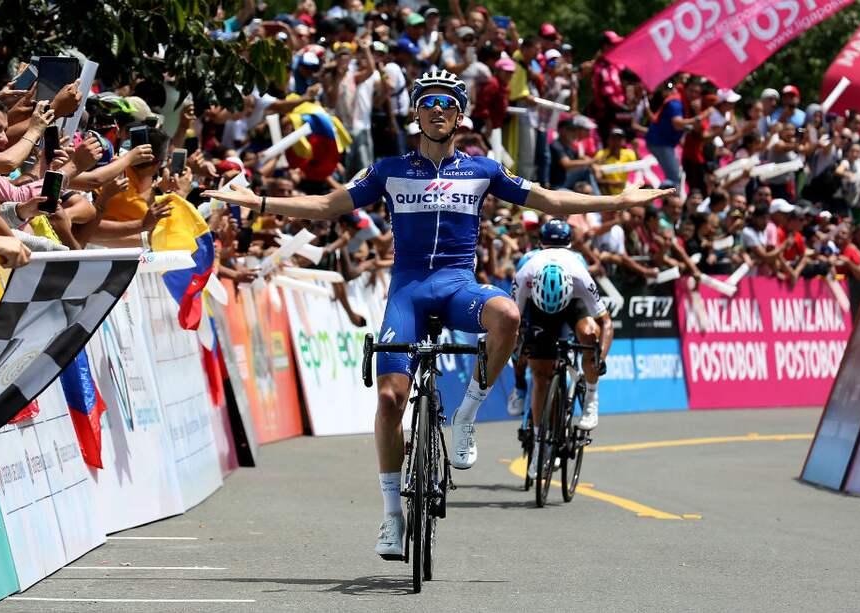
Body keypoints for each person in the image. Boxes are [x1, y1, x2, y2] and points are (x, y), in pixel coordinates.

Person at [201, 68, 672, 559]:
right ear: (416, 113)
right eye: (429, 102)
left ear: (460, 115)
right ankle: (391, 515)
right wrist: (257, 201)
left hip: (457, 287)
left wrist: (619, 199)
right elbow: (324, 205)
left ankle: (466, 414)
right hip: (407, 293)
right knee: (390, 399)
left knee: (508, 317)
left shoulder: (483, 170)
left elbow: (551, 200)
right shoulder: (388, 170)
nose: (438, 110)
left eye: (448, 103)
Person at [512, 219, 612, 478]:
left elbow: (606, 322)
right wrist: (518, 351)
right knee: (540, 376)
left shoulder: (579, 273)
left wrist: (599, 359)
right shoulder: (526, 272)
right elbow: (514, 322)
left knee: (589, 334)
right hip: (537, 308)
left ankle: (590, 399)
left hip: (573, 303)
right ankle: (539, 446)